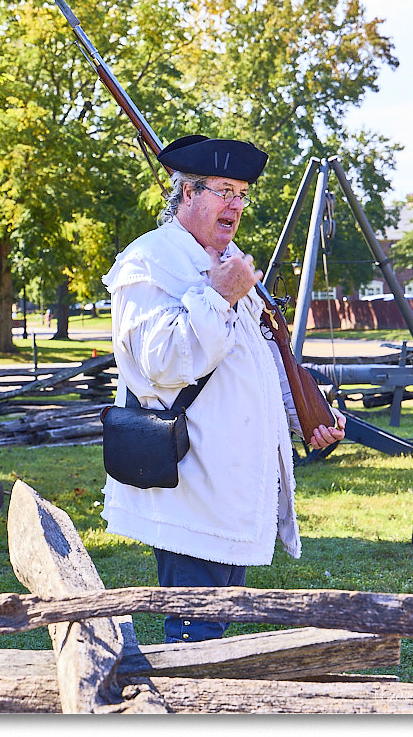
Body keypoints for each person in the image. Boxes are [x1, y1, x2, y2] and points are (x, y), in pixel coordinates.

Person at [100, 134, 345, 643]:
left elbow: (259, 357)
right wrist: (216, 296)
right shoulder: (147, 262)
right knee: (197, 634)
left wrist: (304, 413)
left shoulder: (229, 259)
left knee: (222, 629)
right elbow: (165, 364)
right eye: (224, 191)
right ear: (187, 194)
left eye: (241, 193)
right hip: (192, 487)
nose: (235, 205)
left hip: (232, 486)